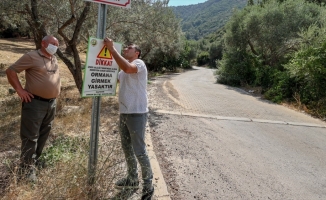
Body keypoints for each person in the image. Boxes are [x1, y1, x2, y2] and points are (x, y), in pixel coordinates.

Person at [103, 38, 154, 200]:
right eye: (125, 47)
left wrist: (112, 49)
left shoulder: (139, 63)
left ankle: (148, 185)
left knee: (139, 150)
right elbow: (116, 77)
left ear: (136, 53)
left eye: (129, 47)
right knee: (126, 147)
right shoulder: (122, 71)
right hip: (124, 113)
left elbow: (127, 67)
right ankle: (132, 179)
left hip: (137, 113)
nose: (126, 48)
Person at [6, 35, 61, 181]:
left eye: (57, 44)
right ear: (43, 43)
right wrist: (20, 90)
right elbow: (11, 71)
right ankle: (26, 170)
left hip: (51, 103)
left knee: (44, 134)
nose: (55, 46)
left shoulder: (53, 58)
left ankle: (34, 162)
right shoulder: (31, 56)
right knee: (30, 136)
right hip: (35, 103)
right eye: (52, 43)